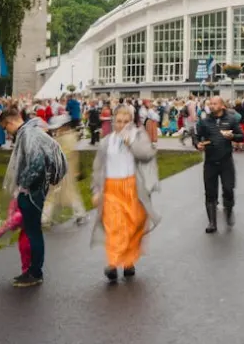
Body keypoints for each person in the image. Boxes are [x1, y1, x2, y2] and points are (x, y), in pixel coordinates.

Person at [0, 107, 67, 287]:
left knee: (33, 232)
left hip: (32, 192)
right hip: (35, 190)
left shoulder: (28, 135)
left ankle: (35, 272)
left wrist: (23, 186)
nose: (7, 132)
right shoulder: (32, 132)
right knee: (32, 231)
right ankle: (32, 270)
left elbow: (36, 163)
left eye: (5, 128)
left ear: (10, 122)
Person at [91, 105, 160, 281]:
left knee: (132, 226)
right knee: (114, 226)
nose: (122, 125)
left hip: (132, 188)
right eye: (119, 121)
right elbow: (98, 167)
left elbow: (146, 155)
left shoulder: (138, 136)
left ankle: (129, 262)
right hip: (111, 189)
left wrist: (130, 142)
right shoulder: (106, 141)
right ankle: (113, 264)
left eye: (126, 121)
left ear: (131, 122)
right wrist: (96, 190)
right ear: (114, 122)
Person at [196, 96, 244, 232]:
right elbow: (197, 137)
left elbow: (241, 136)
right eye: (210, 103)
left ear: (222, 106)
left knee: (228, 189)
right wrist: (197, 144)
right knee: (210, 192)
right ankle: (212, 223)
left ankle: (228, 210)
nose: (211, 106)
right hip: (210, 162)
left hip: (226, 161)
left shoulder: (231, 119)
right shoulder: (204, 121)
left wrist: (233, 136)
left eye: (214, 103)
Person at [43, 115, 88, 226]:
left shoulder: (68, 138)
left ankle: (79, 213)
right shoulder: (63, 136)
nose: (56, 130)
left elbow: (65, 155)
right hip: (61, 171)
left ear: (64, 126)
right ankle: (46, 217)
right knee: (54, 194)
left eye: (58, 128)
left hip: (65, 171)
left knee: (68, 194)